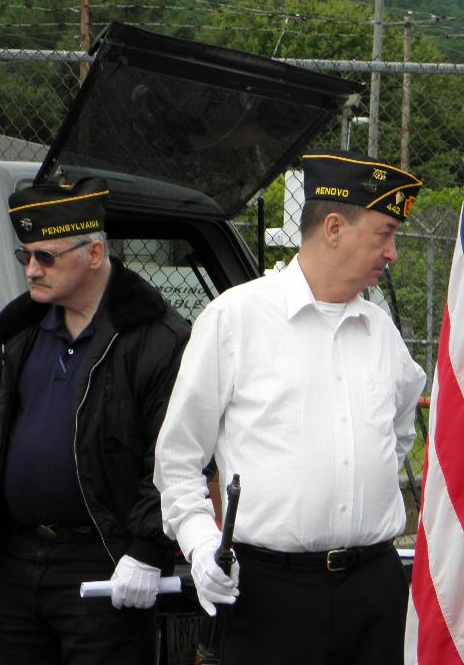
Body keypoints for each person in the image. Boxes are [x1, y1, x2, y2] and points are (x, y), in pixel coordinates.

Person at [153, 149, 427, 665]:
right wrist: (199, 540)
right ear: (333, 227)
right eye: (384, 233)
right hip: (270, 596)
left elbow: (398, 432)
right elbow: (178, 457)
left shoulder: (381, 329)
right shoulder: (236, 319)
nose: (392, 253)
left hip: (373, 591)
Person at [0, 177, 189, 664]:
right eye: (24, 257)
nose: (32, 269)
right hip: (14, 561)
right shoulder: (8, 341)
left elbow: (175, 457)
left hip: (102, 560)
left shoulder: (157, 341)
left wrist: (146, 550)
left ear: (94, 254)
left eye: (45, 257)